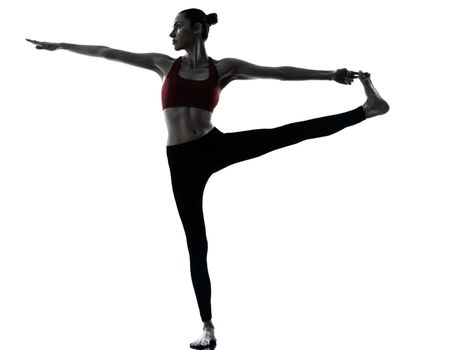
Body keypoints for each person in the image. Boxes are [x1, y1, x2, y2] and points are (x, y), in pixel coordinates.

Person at [26, 7, 389, 349]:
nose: (171, 33)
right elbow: (107, 52)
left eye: (177, 27)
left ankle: (367, 109)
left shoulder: (224, 68)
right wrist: (61, 45)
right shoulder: (162, 64)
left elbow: (277, 72)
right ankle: (208, 327)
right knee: (196, 243)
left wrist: (329, 75)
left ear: (196, 29)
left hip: (213, 146)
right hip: (182, 162)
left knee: (285, 133)